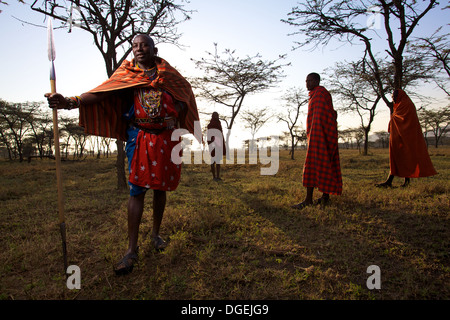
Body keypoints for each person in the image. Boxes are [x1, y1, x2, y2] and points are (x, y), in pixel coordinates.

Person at [46, 34, 200, 275]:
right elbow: (101, 94)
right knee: (137, 190)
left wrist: (176, 111)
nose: (139, 49)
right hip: (140, 138)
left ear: (153, 48)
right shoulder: (127, 73)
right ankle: (131, 250)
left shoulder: (168, 73)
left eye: (144, 45)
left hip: (166, 139)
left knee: (160, 189)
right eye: (135, 46)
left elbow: (186, 95)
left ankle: (156, 234)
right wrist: (69, 101)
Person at [291, 73, 342, 209]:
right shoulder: (316, 94)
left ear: (316, 81)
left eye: (309, 81)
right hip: (319, 135)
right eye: (305, 81)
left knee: (313, 165)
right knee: (325, 164)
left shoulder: (320, 94)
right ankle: (325, 197)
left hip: (319, 135)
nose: (306, 83)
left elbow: (321, 117)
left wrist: (315, 135)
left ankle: (309, 200)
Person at [376, 89, 437, 188]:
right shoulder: (401, 105)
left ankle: (393, 181)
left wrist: (393, 118)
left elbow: (405, 121)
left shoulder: (407, 105)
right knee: (398, 158)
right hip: (400, 137)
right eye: (392, 98)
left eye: (395, 97)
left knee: (404, 158)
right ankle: (397, 181)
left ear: (399, 96)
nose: (394, 99)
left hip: (408, 137)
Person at [206, 112, 226, 181]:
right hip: (213, 144)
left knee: (218, 161)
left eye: (217, 115)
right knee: (213, 160)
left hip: (219, 143)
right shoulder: (211, 125)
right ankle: (214, 177)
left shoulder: (219, 123)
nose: (217, 116)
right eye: (215, 115)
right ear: (213, 116)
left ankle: (218, 177)